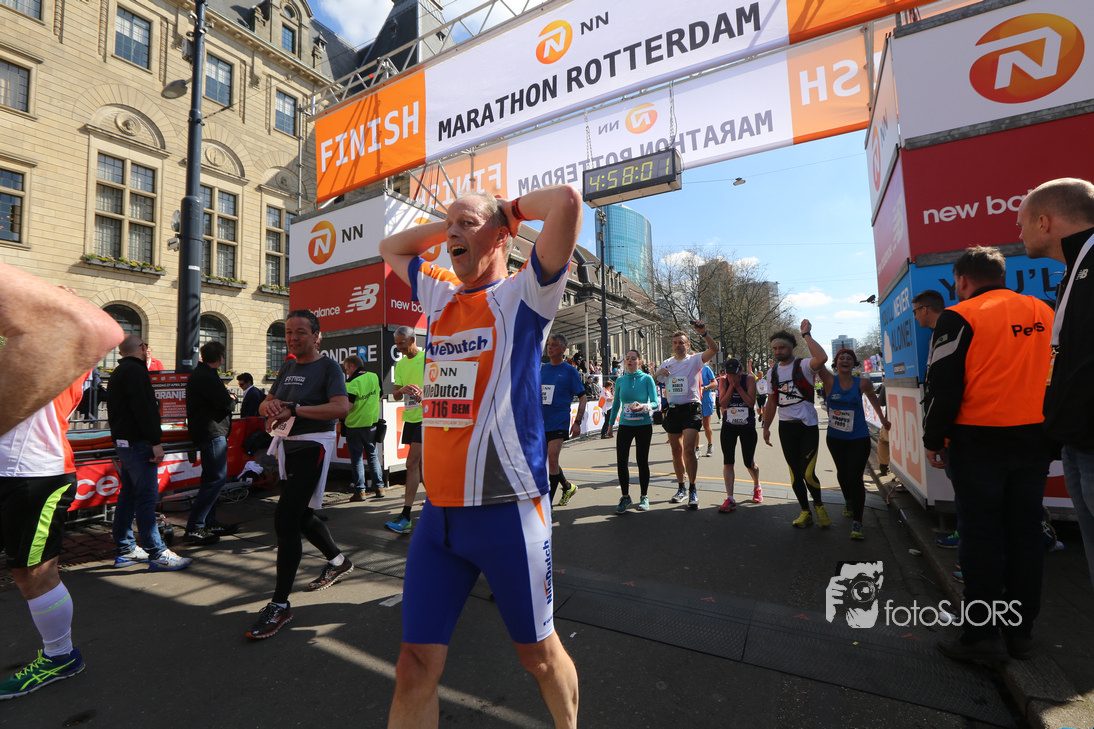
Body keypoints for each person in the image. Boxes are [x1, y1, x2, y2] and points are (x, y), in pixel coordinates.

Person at [379, 186, 581, 728]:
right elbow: (391, 247)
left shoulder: (525, 294)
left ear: (501, 238)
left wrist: (505, 213)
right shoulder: (440, 294)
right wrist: (455, 222)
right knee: (413, 665)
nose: (451, 235)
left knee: (538, 657)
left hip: (508, 512)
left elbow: (566, 202)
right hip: (439, 518)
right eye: (449, 227)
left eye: (467, 225)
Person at [923, 246, 1053, 662]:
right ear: (1002, 275)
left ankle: (982, 636)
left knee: (981, 537)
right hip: (1034, 438)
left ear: (962, 280)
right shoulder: (1043, 310)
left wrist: (933, 438)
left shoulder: (959, 316)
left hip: (979, 441)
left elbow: (943, 386)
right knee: (1025, 534)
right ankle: (1022, 634)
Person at [246, 310, 354, 640]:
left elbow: (342, 407)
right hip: (287, 445)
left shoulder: (329, 367)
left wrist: (295, 409)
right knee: (302, 514)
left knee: (286, 519)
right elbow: (267, 402)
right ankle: (338, 561)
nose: (293, 337)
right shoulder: (288, 366)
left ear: (317, 336)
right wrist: (269, 408)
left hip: (313, 445)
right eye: (289, 332)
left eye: (301, 332)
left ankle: (280, 605)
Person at [1019, 177, 1094, 588]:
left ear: (1043, 222)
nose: (1019, 234)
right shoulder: (1074, 268)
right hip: (1076, 444)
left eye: (1022, 224)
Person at [0, 375, 90, 699]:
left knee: (33, 573)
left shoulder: (59, 346)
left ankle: (60, 656)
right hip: (11, 469)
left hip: (36, 471)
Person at [0, 266, 124, 438]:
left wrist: (57, 308)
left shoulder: (61, 350)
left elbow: (90, 328)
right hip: (40, 441)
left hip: (26, 442)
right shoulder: (69, 354)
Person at [107, 335, 192, 571]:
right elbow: (144, 409)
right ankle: (157, 552)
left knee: (129, 495)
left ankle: (125, 548)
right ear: (143, 348)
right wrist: (155, 441)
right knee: (145, 498)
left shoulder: (118, 372)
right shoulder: (136, 372)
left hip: (125, 442)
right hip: (139, 443)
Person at [762, 320, 829, 528]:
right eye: (775, 348)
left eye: (782, 347)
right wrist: (766, 427)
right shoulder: (772, 373)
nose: (778, 351)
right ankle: (805, 512)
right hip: (786, 427)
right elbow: (772, 401)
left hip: (807, 426)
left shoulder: (804, 365)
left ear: (791, 347)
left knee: (807, 472)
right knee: (795, 473)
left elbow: (822, 358)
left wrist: (806, 335)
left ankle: (819, 507)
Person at [817, 349, 890, 540]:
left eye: (849, 358)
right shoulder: (829, 381)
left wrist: (882, 418)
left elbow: (873, 399)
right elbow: (818, 360)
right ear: (836, 363)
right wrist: (806, 335)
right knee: (843, 473)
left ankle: (858, 522)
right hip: (836, 438)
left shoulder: (863, 383)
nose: (845, 360)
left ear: (854, 363)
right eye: (841, 358)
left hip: (858, 437)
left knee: (855, 477)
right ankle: (848, 500)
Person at [654, 322, 719, 509]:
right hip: (673, 410)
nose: (678, 345)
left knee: (689, 450)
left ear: (688, 345)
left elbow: (714, 349)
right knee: (676, 450)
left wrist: (704, 333)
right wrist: (657, 373)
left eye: (681, 342)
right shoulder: (667, 362)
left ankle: (693, 489)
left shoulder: (695, 360)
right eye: (675, 343)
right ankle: (681, 488)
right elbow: (654, 381)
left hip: (691, 409)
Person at [184, 341, 238, 545]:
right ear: (221, 358)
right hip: (212, 432)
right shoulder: (206, 376)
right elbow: (227, 403)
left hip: (209, 431)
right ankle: (196, 526)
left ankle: (209, 521)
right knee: (216, 478)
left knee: (210, 479)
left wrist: (227, 398)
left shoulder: (203, 374)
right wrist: (232, 398)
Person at [608, 349, 658, 513]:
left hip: (643, 425)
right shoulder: (621, 380)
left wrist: (643, 406)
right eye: (627, 359)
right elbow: (616, 403)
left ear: (639, 362)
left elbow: (655, 403)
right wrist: (610, 425)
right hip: (625, 426)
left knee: (642, 461)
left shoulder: (647, 379)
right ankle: (625, 496)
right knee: (622, 461)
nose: (630, 361)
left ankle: (644, 496)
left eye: (633, 359)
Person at [542, 333, 587, 506]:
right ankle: (567, 486)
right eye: (549, 344)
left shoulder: (570, 371)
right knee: (548, 462)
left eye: (554, 345)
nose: (549, 347)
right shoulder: (542, 369)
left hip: (559, 421)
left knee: (552, 459)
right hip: (541, 423)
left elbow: (583, 397)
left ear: (563, 349)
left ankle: (547, 506)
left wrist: (577, 422)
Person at [387, 326, 425, 534]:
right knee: (420, 465)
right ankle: (435, 503)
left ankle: (406, 515)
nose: (399, 347)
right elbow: (395, 395)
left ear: (412, 340)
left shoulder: (427, 358)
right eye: (397, 344)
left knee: (411, 463)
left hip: (427, 418)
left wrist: (424, 392)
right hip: (410, 418)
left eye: (402, 343)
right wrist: (401, 390)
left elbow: (441, 384)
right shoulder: (401, 364)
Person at [716, 358, 761, 511]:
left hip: (747, 426)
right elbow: (723, 403)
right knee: (728, 462)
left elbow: (750, 402)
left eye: (734, 374)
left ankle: (757, 486)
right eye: (728, 374)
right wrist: (731, 386)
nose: (731, 377)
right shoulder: (724, 381)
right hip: (729, 426)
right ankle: (730, 498)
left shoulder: (749, 379)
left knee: (749, 462)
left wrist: (738, 387)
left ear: (740, 371)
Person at [342, 355, 385, 501]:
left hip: (354, 425)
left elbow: (347, 406)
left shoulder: (351, 382)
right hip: (371, 424)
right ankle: (379, 487)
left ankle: (360, 491)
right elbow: (379, 397)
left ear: (352, 366)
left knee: (357, 458)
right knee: (372, 455)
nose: (347, 372)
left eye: (346, 369)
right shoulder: (375, 377)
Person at [699, 361, 717, 458]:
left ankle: (710, 445)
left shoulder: (706, 369)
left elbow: (715, 383)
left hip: (705, 399)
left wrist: (705, 388)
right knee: (694, 426)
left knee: (706, 425)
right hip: (694, 399)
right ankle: (696, 448)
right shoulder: (690, 369)